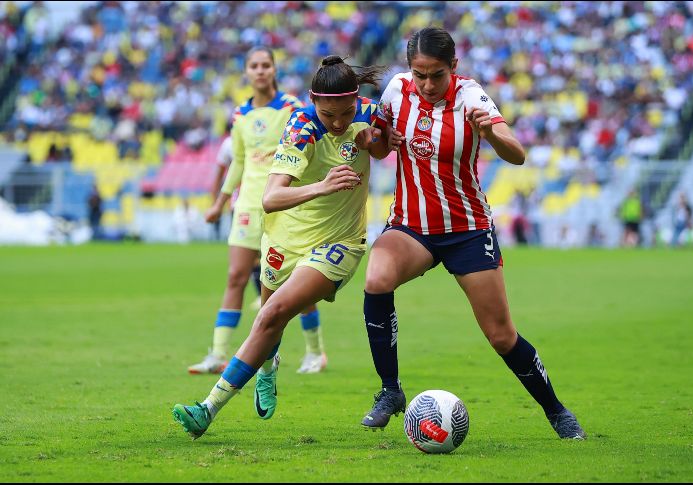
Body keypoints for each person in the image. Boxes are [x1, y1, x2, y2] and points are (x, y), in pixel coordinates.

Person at [359, 27, 586, 440]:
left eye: (436, 75)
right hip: (412, 227)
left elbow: (517, 155)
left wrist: (493, 132)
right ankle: (390, 391)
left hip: (467, 230)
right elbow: (377, 149)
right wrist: (381, 139)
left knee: (501, 335)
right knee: (376, 279)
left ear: (454, 68)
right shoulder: (395, 90)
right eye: (419, 74)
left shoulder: (471, 96)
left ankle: (557, 411)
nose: (426, 84)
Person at [172, 55, 392, 439]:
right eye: (329, 114)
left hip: (339, 244)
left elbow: (382, 149)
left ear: (357, 99)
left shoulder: (371, 113)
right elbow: (271, 198)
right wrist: (322, 185)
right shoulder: (302, 126)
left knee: (272, 314)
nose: (339, 122)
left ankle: (206, 409)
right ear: (312, 101)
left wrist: (375, 142)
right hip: (284, 238)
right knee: (268, 323)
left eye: (346, 112)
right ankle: (268, 370)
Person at [188, 47, 325, 376]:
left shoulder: (293, 107)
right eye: (254, 66)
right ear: (247, 73)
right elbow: (238, 160)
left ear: (274, 70)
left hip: (284, 202)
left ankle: (315, 352)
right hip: (248, 204)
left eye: (266, 65)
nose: (261, 71)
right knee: (236, 277)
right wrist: (220, 203)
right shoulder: (240, 114)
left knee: (296, 283)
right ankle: (218, 354)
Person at [210, 120, 262, 310]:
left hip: (262, 200)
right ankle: (261, 294)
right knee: (252, 254)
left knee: (267, 252)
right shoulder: (228, 144)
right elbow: (221, 172)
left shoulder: (262, 140)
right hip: (240, 204)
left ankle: (268, 294)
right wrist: (217, 200)